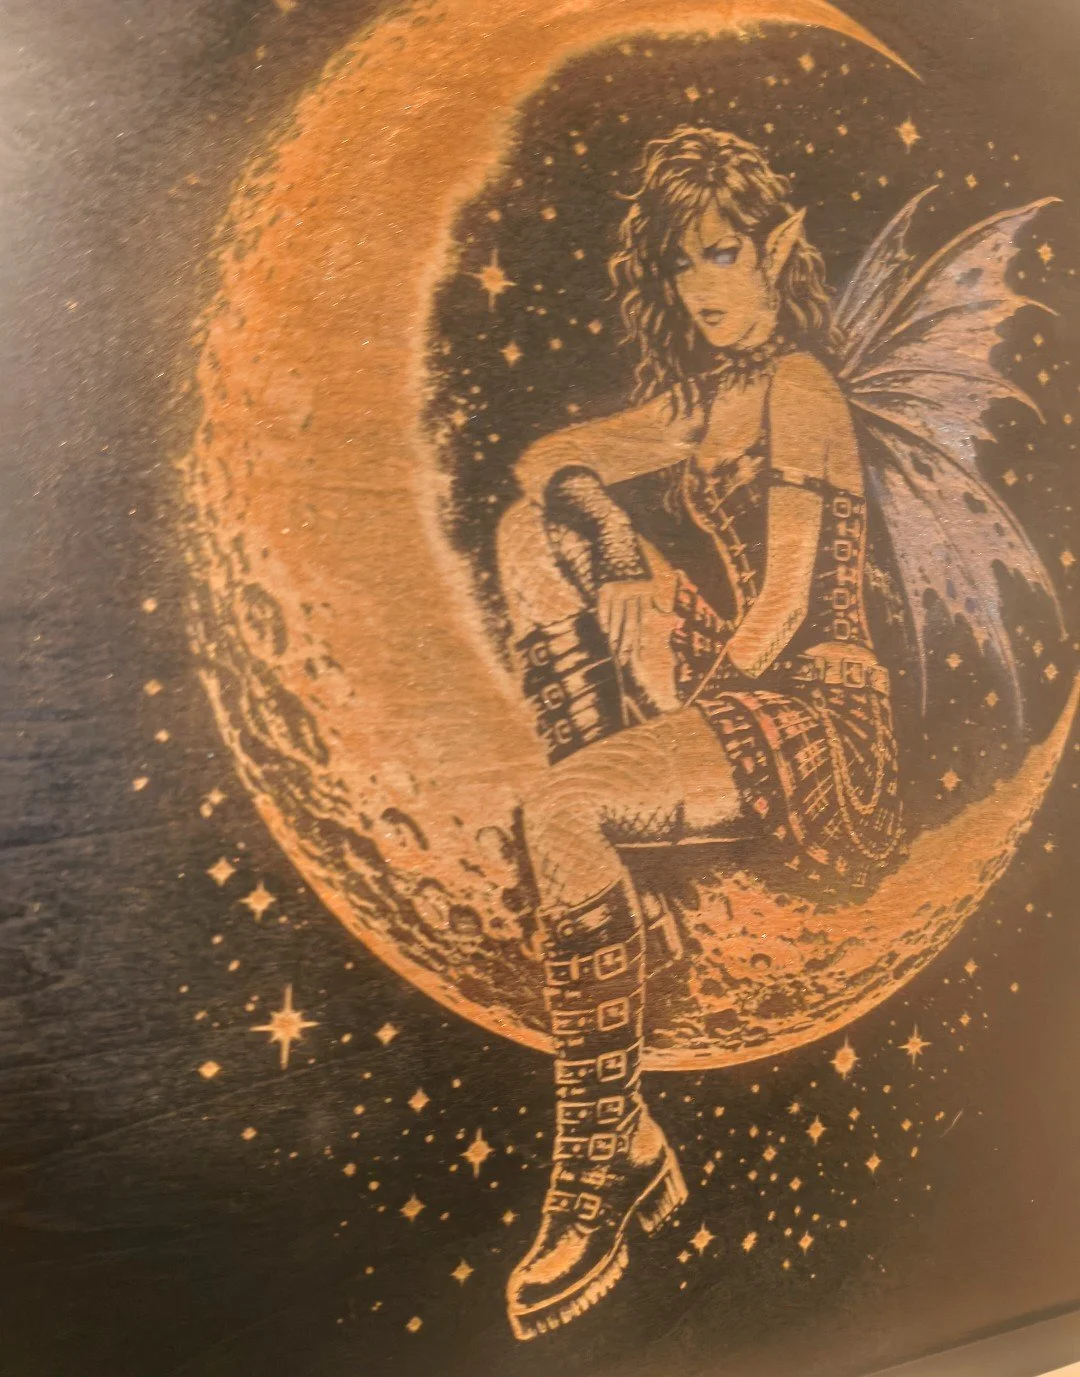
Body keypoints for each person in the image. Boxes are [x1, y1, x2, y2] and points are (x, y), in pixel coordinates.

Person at [496, 126, 903, 1340]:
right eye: (681, 264)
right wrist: (615, 539)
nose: (701, 286)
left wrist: (678, 711)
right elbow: (541, 463)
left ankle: (596, 1179)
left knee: (561, 811)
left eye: (723, 253)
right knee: (534, 532)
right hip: (739, 684)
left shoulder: (801, 388)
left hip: (817, 714)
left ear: (779, 246)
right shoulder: (707, 399)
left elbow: (783, 609)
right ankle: (626, 1122)